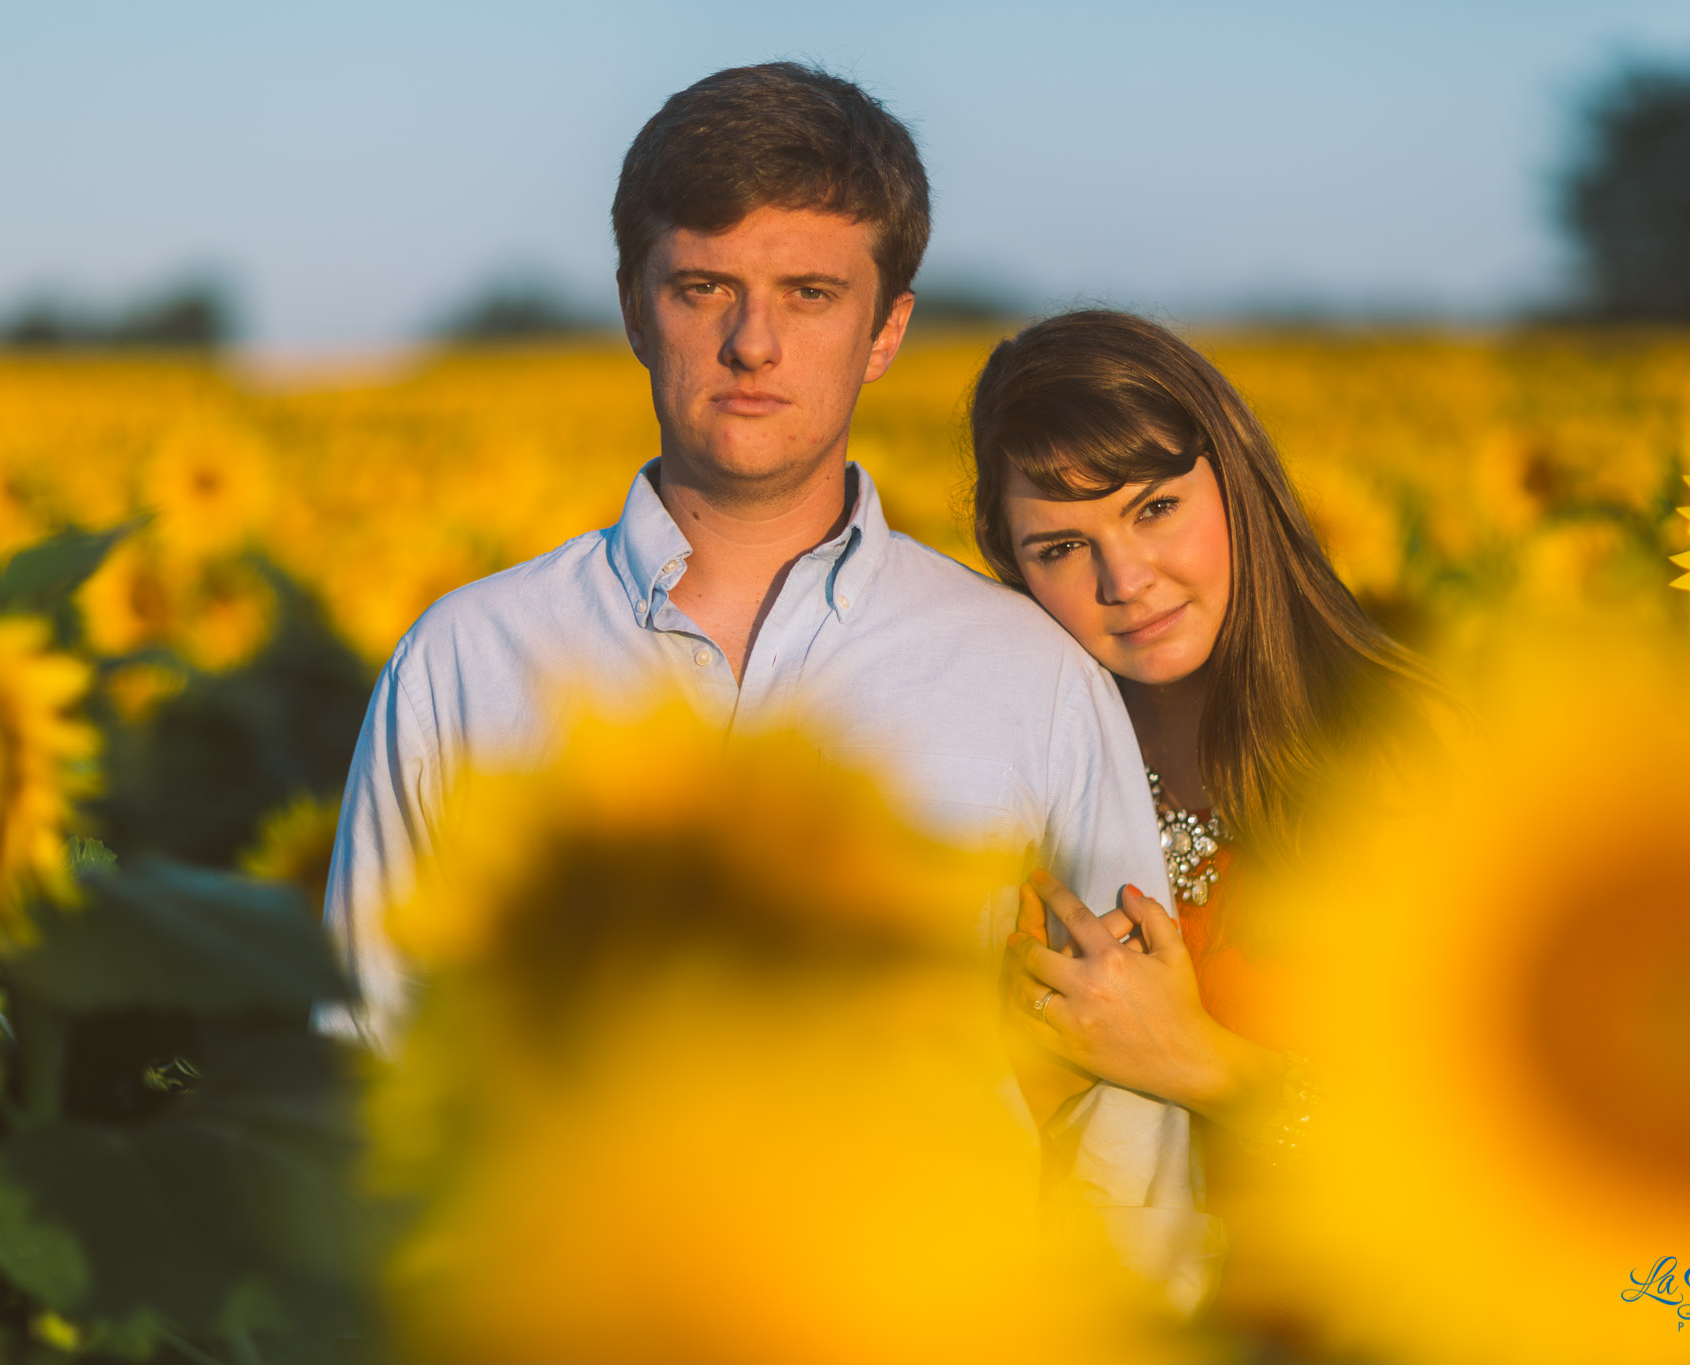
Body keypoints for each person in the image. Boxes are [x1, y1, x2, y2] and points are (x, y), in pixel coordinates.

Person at [320, 68, 1215, 1305]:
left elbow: (1123, 1132)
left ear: (885, 330)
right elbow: (366, 1065)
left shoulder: (1028, 676)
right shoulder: (466, 661)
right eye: (704, 289)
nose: (752, 343)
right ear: (636, 308)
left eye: (809, 294)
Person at [967, 309, 1446, 1172]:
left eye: (1155, 507)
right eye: (1063, 546)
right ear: (1015, 573)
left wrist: (1203, 1062)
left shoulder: (1404, 750)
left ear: (1236, 480)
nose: (1127, 580)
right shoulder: (1022, 779)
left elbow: (1495, 1157)